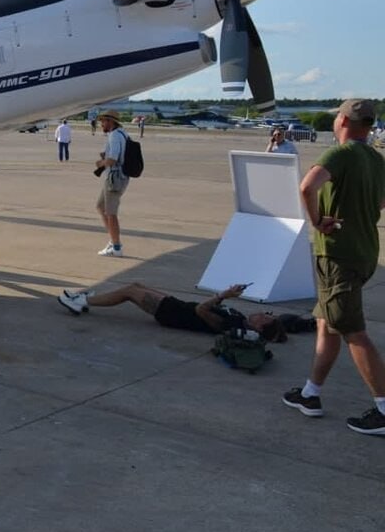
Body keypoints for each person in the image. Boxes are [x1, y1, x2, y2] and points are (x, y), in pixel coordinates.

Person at [282, 98, 385, 436]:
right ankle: (311, 395)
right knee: (326, 323)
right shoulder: (374, 158)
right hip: (366, 250)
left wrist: (317, 221)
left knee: (353, 330)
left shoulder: (340, 154)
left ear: (342, 120)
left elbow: (307, 186)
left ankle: (384, 408)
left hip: (339, 255)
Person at [58, 282, 287, 341]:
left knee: (129, 291)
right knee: (136, 285)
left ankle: (82, 302)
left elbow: (201, 310)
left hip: (172, 314)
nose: (261, 314)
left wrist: (224, 295)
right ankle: (87, 299)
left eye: (265, 317)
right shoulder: (239, 320)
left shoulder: (232, 326)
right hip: (176, 305)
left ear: (259, 327)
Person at [94, 109, 129, 257]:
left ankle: (116, 246)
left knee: (110, 213)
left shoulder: (115, 136)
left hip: (115, 178)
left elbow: (112, 159)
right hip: (115, 176)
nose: (101, 124)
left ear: (110, 122)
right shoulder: (121, 133)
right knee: (101, 206)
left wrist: (101, 163)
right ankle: (113, 240)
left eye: (103, 121)